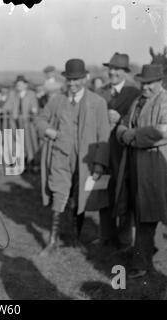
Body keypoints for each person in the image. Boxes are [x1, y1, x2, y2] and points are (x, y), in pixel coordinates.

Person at [35, 59, 110, 256]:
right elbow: (40, 119)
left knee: (79, 198)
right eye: (69, 79)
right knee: (59, 194)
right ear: (65, 80)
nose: (72, 83)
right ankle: (53, 241)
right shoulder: (57, 100)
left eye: (76, 79)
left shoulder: (97, 102)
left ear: (84, 78)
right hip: (60, 155)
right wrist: (50, 131)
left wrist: (100, 163)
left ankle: (76, 238)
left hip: (85, 160)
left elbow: (104, 135)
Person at [116, 64, 167, 279]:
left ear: (160, 82)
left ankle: (148, 261)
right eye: (143, 83)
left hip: (158, 165)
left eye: (150, 84)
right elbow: (121, 126)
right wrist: (124, 134)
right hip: (136, 165)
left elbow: (162, 131)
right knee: (141, 213)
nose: (145, 87)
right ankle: (143, 262)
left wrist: (132, 135)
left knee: (153, 213)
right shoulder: (138, 101)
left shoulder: (165, 101)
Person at [96, 53, 140, 250]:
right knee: (103, 190)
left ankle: (124, 240)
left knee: (125, 193)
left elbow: (137, 120)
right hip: (103, 149)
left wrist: (120, 117)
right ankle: (106, 236)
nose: (112, 72)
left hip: (124, 151)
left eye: (117, 69)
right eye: (110, 68)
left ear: (125, 72)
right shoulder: (100, 92)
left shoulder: (134, 93)